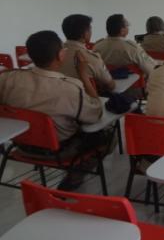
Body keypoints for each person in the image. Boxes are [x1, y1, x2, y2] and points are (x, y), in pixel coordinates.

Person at [0, 31, 107, 190]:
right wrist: (84, 76)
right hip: (59, 150)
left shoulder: (6, 78)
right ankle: (76, 174)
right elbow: (96, 114)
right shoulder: (70, 87)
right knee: (105, 136)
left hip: (20, 145)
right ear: (61, 55)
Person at [59, 14, 116, 93]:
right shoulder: (91, 58)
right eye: (90, 29)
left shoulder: (54, 55)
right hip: (86, 102)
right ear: (84, 34)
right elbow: (111, 86)